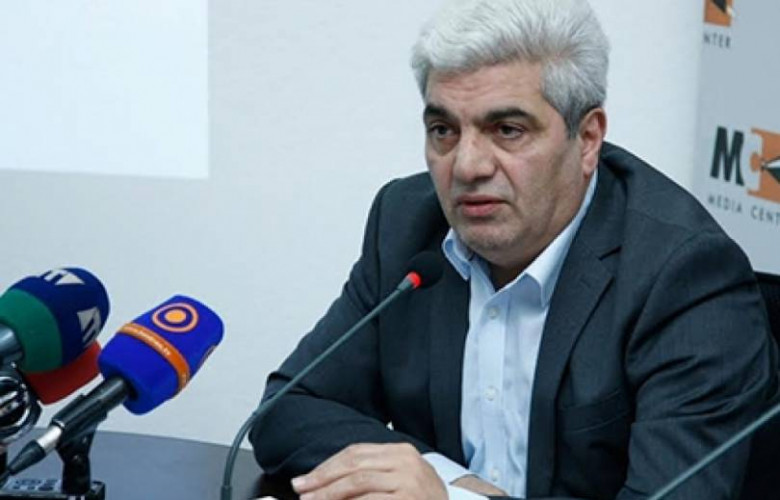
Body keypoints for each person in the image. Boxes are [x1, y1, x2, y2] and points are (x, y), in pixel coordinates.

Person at [249, 0, 777, 498]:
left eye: (507, 130)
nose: (467, 166)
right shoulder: (407, 226)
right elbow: (288, 409)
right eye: (443, 130)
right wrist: (452, 482)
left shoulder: (683, 274)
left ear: (587, 139)